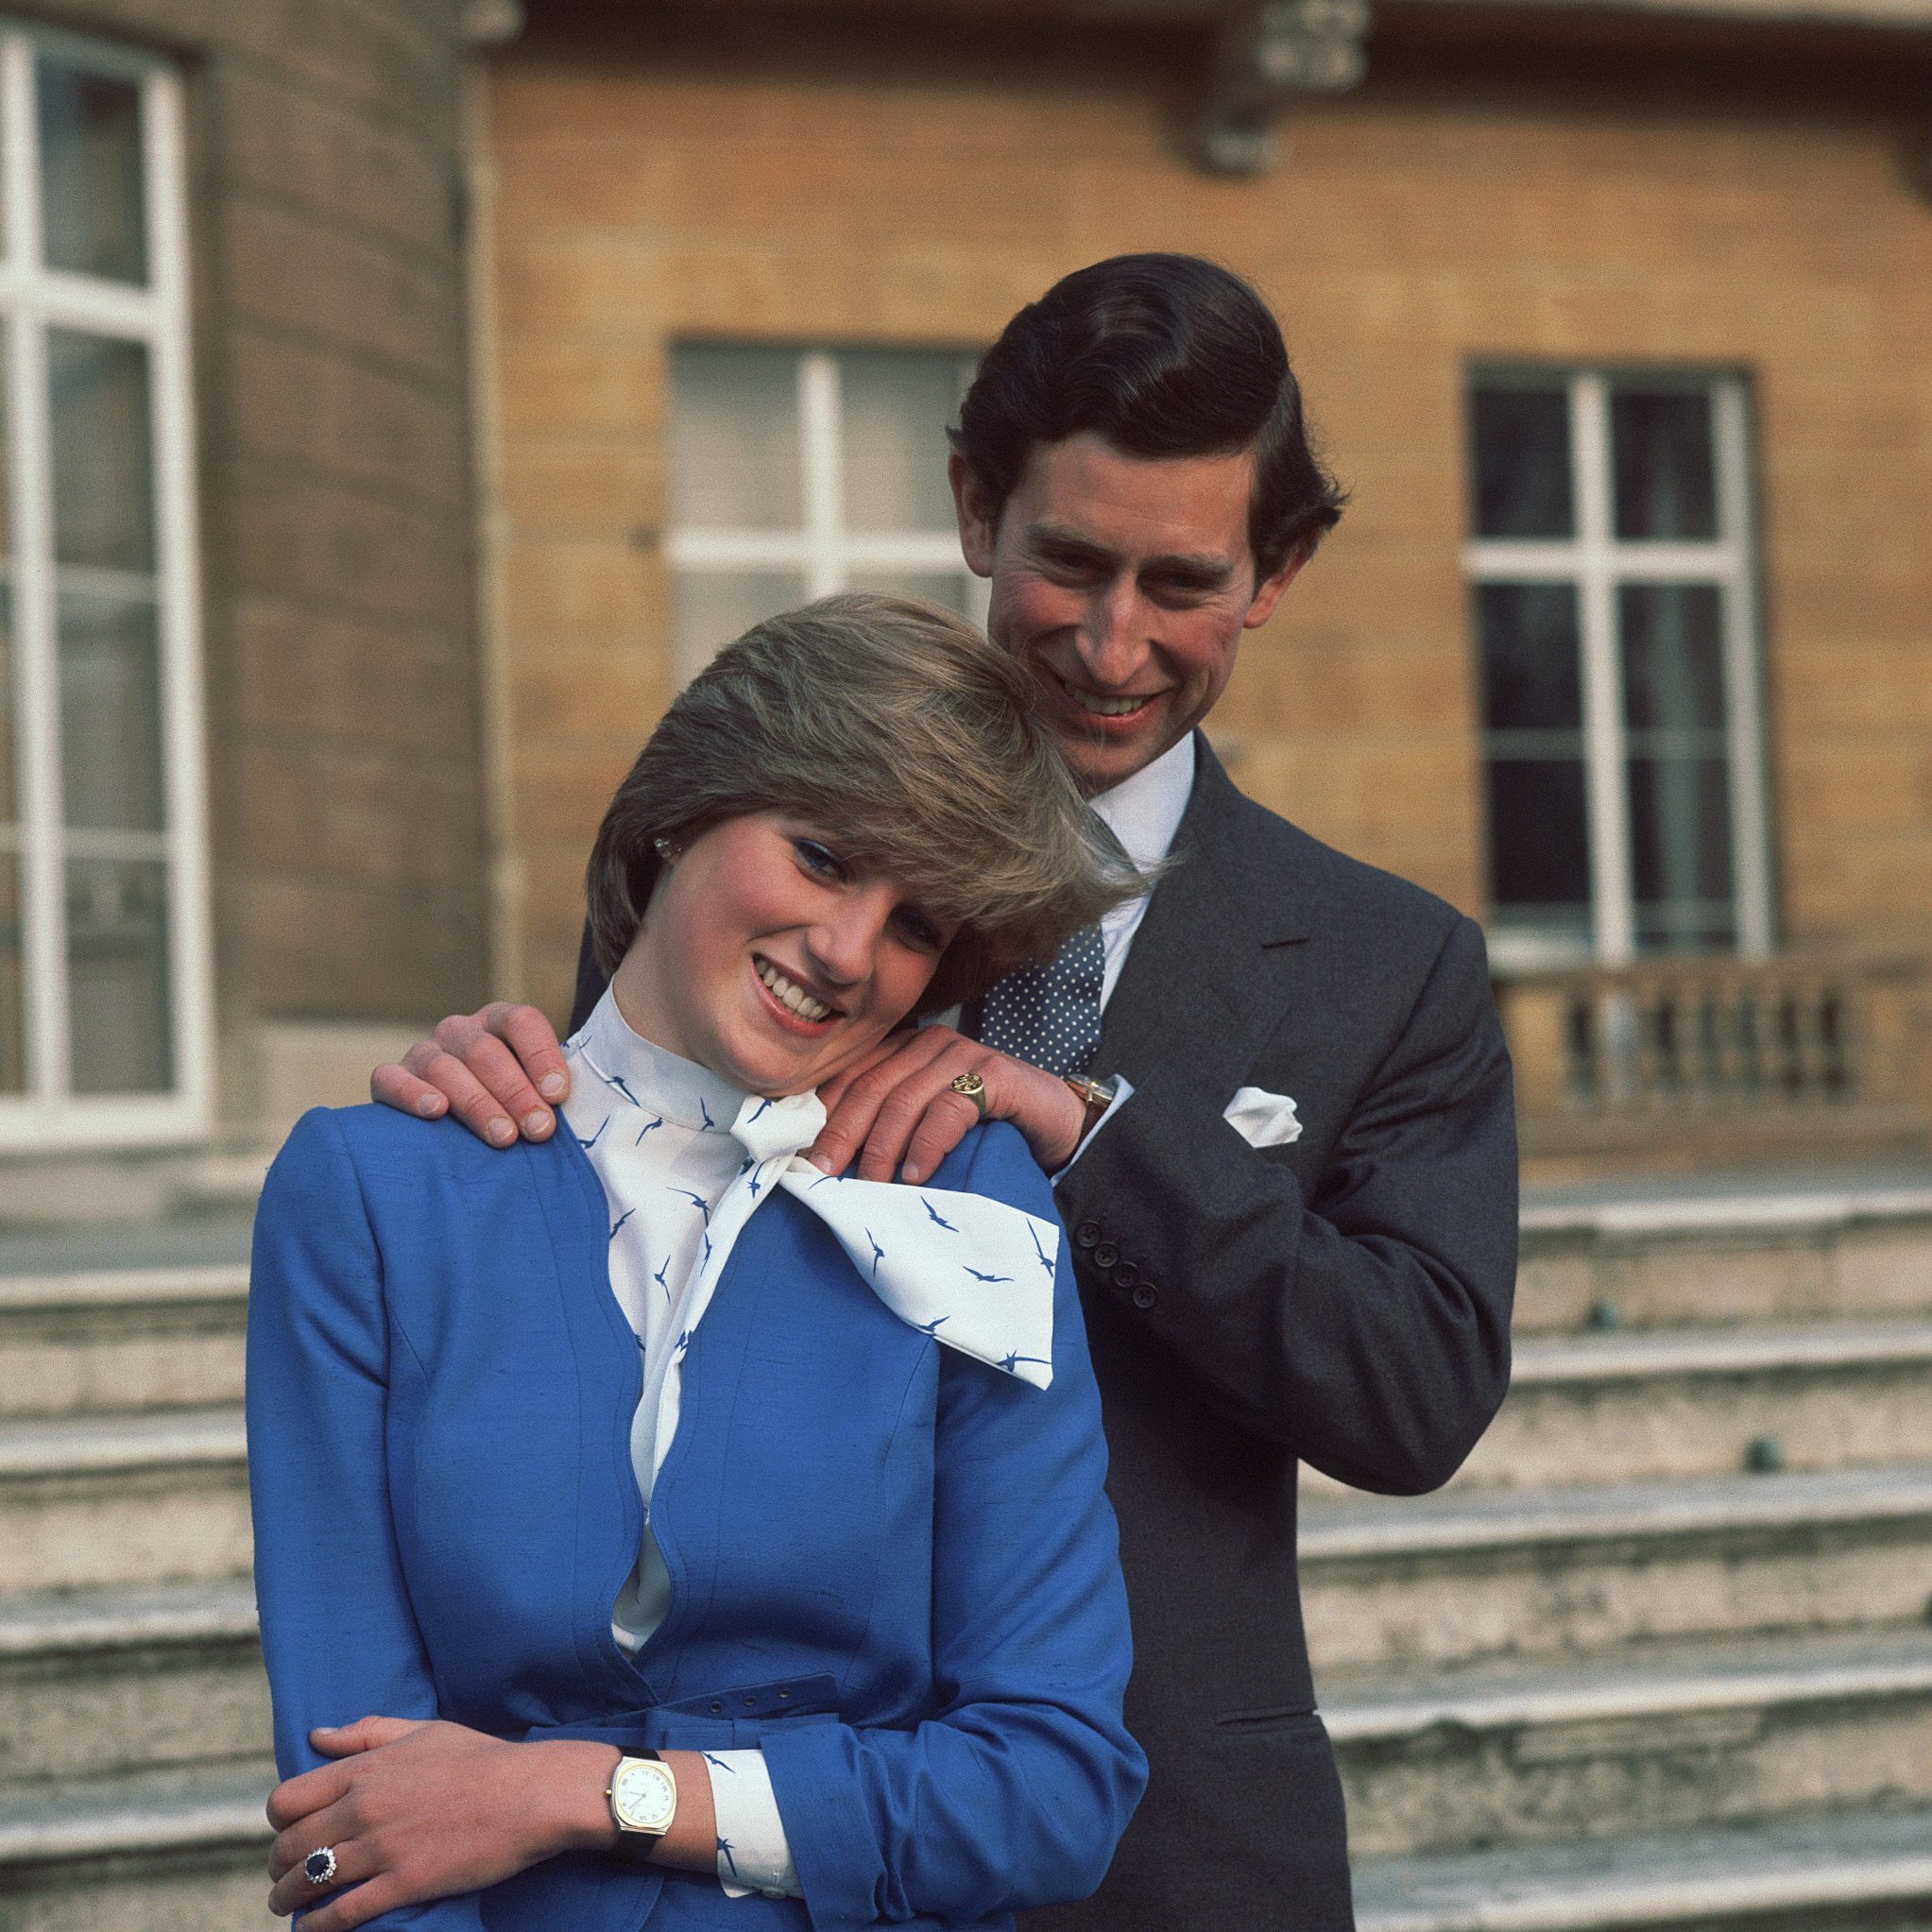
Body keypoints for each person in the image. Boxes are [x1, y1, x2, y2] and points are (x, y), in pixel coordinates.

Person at [373, 254, 1518, 1930]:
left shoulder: (1387, 961)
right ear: (979, 508)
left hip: (1176, 1843)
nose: (1112, 643)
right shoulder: (759, 861)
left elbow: (1413, 1395)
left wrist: (1085, 1129)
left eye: (1179, 582)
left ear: (1277, 572)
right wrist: (491, 1101)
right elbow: (610, 1243)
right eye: (1068, 561)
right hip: (753, 1838)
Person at [248, 594, 1149, 1932]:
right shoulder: (372, 1194)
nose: (849, 954)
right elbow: (352, 1813)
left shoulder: (967, 1196)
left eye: (915, 924)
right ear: (681, 809)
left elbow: (1050, 1788)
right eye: (825, 856)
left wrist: (583, 1791)